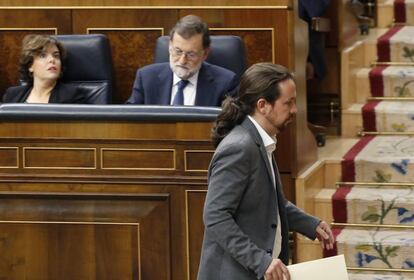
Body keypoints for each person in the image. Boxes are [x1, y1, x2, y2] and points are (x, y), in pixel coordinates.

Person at [197, 63, 334, 280]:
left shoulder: (260, 141)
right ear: (263, 105)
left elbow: (267, 202)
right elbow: (215, 217)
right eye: (288, 103)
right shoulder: (240, 148)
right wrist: (260, 260)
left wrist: (310, 224)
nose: (295, 110)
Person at [126, 15, 238, 106]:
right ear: (170, 46)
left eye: (191, 54)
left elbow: (229, 126)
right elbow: (129, 120)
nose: (182, 60)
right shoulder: (146, 78)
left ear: (205, 54)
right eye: (178, 51)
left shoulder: (226, 83)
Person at [2, 34, 86, 103]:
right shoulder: (12, 95)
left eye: (56, 56)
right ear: (30, 66)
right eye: (43, 55)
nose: (52, 60)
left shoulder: (72, 96)